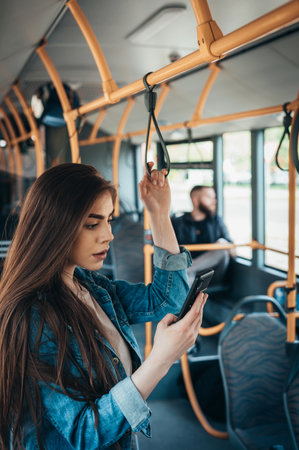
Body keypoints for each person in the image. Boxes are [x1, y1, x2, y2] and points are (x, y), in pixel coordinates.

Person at [0, 162, 207, 450]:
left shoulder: (93, 287)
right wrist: (160, 360)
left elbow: (167, 300)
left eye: (109, 220)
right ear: (55, 226)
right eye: (92, 224)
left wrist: (159, 213)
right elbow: (85, 432)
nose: (108, 235)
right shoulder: (32, 316)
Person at [172, 185, 235, 285]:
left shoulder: (216, 221)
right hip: (187, 268)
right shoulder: (178, 223)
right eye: (209, 198)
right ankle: (189, 272)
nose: (214, 201)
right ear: (196, 200)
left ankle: (189, 270)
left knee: (223, 245)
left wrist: (222, 244)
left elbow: (232, 251)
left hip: (211, 271)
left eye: (214, 198)